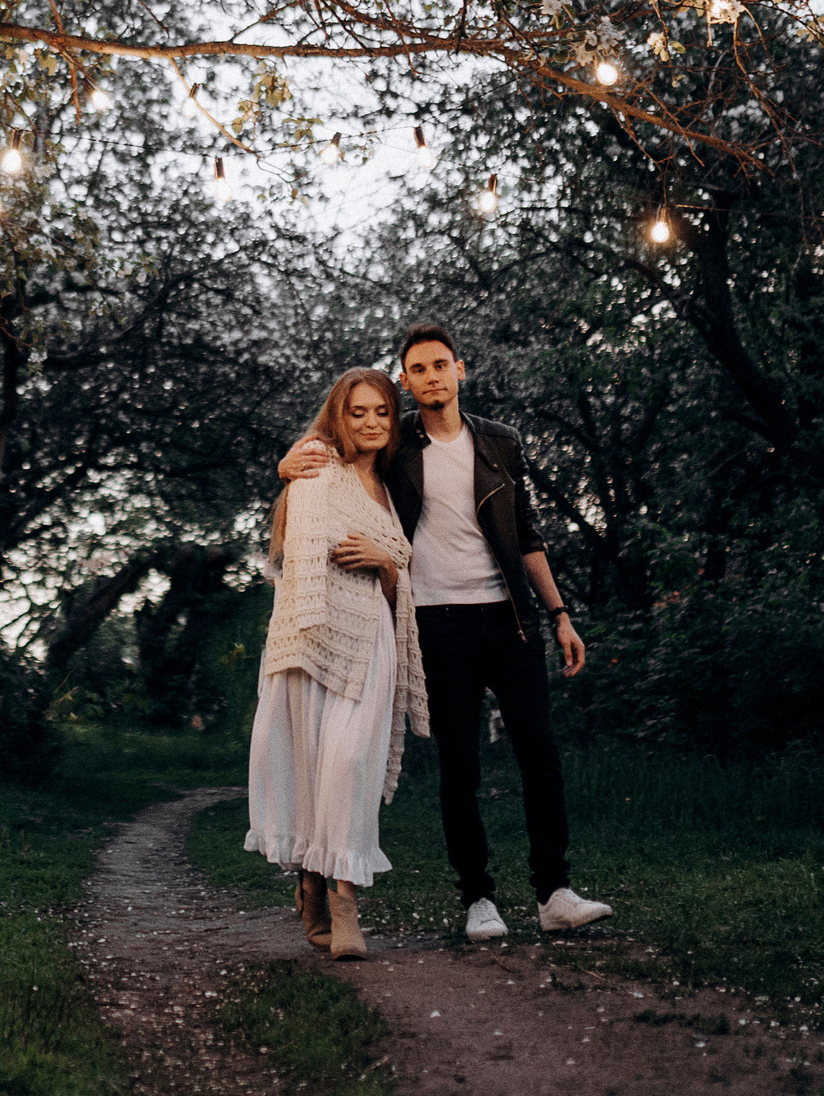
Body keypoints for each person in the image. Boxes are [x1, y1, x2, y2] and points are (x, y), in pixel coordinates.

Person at [279, 323, 613, 942]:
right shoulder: (397, 441)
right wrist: (287, 460)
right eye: (418, 370)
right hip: (436, 622)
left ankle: (554, 892)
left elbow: (528, 534)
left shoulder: (501, 443)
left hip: (508, 618)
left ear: (460, 370)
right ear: (406, 382)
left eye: (440, 366)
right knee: (460, 766)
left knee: (539, 752)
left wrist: (561, 614)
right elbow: (338, 436)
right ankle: (478, 900)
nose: (431, 377)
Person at [246, 367, 429, 960]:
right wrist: (307, 634)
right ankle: (311, 881)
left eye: (382, 412)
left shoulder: (393, 487)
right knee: (307, 766)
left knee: (350, 765)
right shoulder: (317, 464)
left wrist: (386, 561)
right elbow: (301, 547)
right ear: (338, 417)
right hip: (311, 635)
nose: (372, 422)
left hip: (372, 638)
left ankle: (343, 895)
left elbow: (401, 572)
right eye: (359, 412)